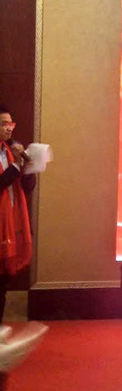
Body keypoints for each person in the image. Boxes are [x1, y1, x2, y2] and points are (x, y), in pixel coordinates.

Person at [0, 105, 35, 322]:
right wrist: (14, 168)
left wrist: (28, 167)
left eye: (10, 124)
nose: (9, 128)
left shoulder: (10, 151)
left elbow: (27, 187)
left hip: (10, 223)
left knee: (3, 283)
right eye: (3, 124)